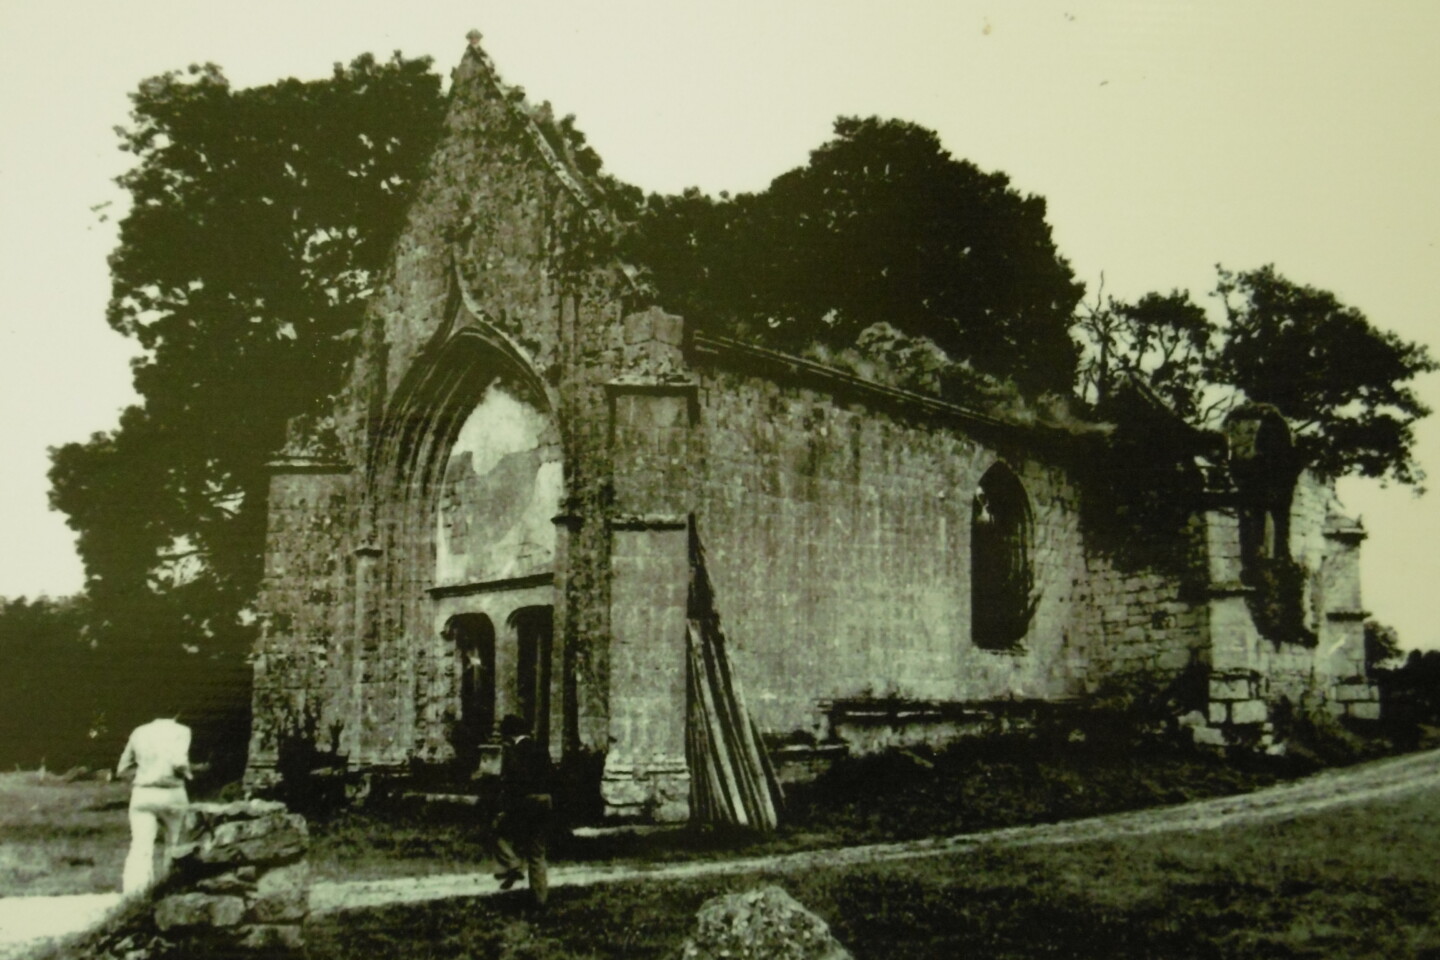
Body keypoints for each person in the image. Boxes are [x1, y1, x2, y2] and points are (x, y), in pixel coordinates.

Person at [115, 717, 193, 895]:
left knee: (141, 846)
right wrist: (189, 774)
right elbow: (179, 762)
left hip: (143, 793)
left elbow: (122, 769)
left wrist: (144, 775)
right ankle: (171, 890)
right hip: (172, 792)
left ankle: (135, 894)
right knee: (175, 844)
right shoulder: (182, 731)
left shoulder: (139, 731)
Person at [491, 713, 554, 910]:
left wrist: (505, 809)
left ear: (510, 734)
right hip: (545, 800)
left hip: (526, 801)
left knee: (497, 831)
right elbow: (553, 775)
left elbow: (513, 782)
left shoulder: (514, 751)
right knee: (537, 853)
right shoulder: (541, 748)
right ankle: (540, 900)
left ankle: (512, 864)